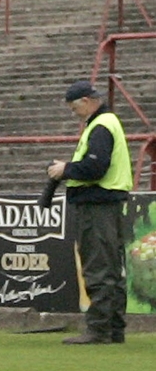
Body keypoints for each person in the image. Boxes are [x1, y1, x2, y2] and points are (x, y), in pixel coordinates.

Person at [47, 79, 133, 345]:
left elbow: (95, 168)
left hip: (97, 205)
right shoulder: (107, 123)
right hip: (108, 204)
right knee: (111, 268)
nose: (74, 113)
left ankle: (99, 330)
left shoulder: (100, 127)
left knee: (98, 267)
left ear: (86, 101)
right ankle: (114, 328)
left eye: (74, 108)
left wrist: (66, 169)